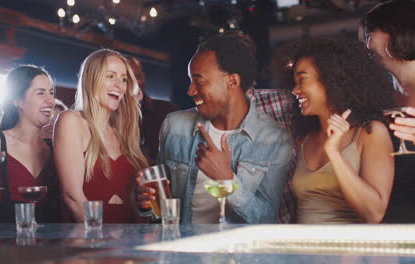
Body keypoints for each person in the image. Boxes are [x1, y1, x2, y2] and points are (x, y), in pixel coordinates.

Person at [137, 31, 293, 224]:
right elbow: (161, 209)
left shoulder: (274, 137)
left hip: (239, 251)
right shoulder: (175, 125)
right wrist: (147, 205)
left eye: (199, 81)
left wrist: (227, 179)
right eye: (190, 81)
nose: (190, 90)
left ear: (233, 81)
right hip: (183, 248)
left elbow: (265, 217)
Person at [287, 37, 395, 223]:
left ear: (330, 79)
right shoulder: (304, 139)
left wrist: (334, 153)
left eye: (302, 80)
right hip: (302, 250)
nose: (295, 90)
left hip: (346, 250)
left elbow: (373, 213)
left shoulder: (370, 133)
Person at [54, 49, 148, 223]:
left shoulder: (124, 130)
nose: (119, 85)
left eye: (124, 79)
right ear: (91, 78)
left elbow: (134, 201)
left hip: (130, 240)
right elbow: (72, 197)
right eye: (110, 76)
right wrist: (99, 238)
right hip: (90, 240)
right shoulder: (71, 121)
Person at [0, 65, 61, 223]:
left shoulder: (55, 147)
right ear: (17, 101)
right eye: (41, 93)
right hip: (5, 246)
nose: (51, 101)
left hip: (50, 246)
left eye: (51, 93)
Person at [361, 0, 415, 223]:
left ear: (396, 31)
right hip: (390, 236)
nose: (366, 44)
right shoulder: (378, 96)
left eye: (370, 33)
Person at [127, 57, 179, 166]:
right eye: (125, 79)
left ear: (143, 77)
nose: (134, 83)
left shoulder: (168, 111)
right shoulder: (108, 118)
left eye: (137, 76)